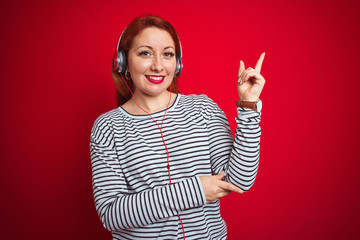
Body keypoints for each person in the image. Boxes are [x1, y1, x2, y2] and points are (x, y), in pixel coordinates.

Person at [90, 15, 266, 240]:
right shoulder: (107, 127)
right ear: (123, 62)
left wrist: (249, 106)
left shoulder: (203, 108)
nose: (158, 65)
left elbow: (238, 181)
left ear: (178, 63)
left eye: (167, 54)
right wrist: (194, 191)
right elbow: (111, 214)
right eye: (145, 53)